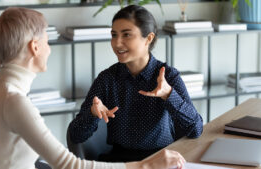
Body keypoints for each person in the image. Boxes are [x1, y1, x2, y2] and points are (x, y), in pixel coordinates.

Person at [0, 7, 186, 169]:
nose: (49, 49)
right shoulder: (14, 101)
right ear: (35, 48)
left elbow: (193, 128)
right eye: (47, 41)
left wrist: (169, 96)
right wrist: (146, 166)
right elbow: (68, 163)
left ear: (148, 39)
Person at [68, 5, 203, 162]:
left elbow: (196, 129)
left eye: (126, 35)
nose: (117, 43)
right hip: (120, 162)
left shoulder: (169, 76)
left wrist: (169, 95)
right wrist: (92, 114)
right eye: (114, 35)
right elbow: (75, 136)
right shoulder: (107, 79)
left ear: (149, 38)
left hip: (162, 160)